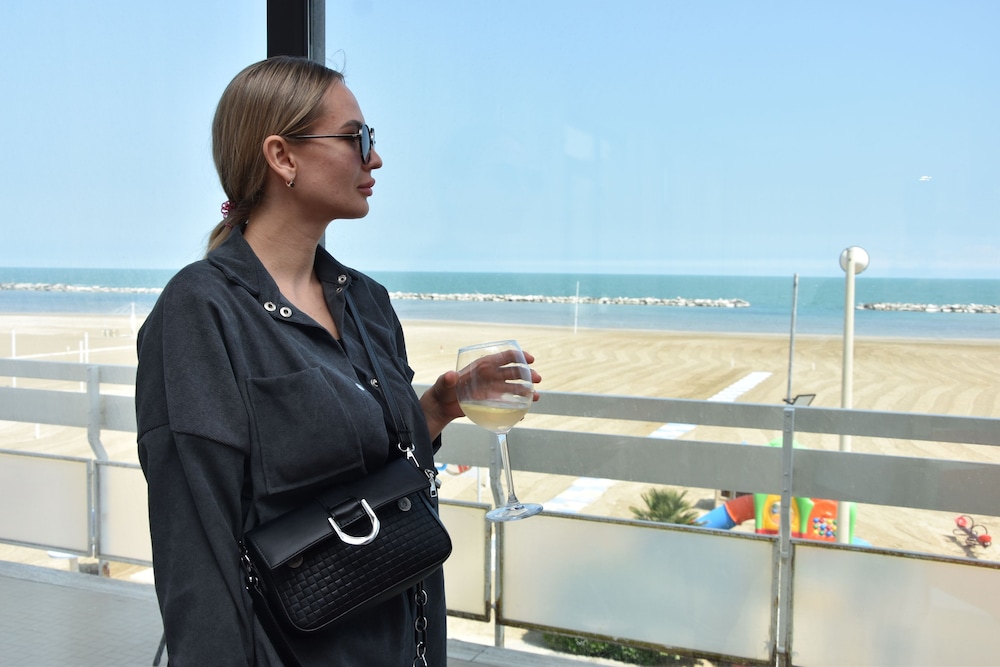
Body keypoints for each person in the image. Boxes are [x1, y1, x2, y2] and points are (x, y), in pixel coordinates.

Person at [135, 56, 539, 666]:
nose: (374, 159)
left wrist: (436, 408)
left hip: (405, 644)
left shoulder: (367, 302)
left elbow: (381, 475)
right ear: (283, 157)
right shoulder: (200, 311)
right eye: (357, 138)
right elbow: (195, 548)